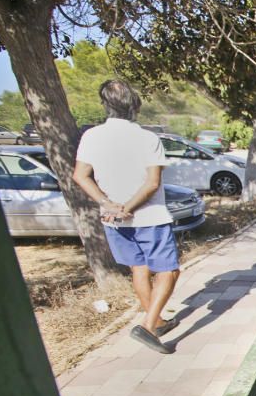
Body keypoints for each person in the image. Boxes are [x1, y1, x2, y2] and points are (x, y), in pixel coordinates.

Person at [73, 80, 179, 354]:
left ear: (105, 105)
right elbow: (152, 182)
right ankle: (147, 327)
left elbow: (81, 176)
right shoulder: (147, 138)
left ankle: (156, 321)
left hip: (114, 220)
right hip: (149, 217)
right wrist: (129, 206)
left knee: (139, 268)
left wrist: (109, 204)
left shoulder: (91, 137)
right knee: (169, 270)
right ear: (135, 105)